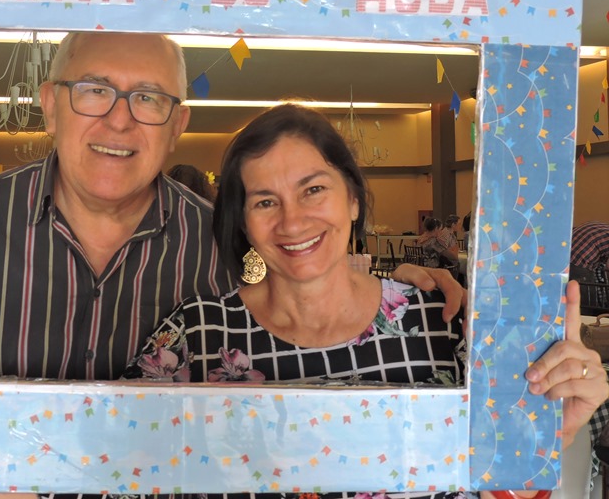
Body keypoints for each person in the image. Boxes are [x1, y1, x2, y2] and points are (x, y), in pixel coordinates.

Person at [0, 33, 463, 414]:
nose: (119, 121)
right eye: (94, 90)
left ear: (177, 125)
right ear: (50, 105)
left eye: (148, 99)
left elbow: (295, 285)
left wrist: (400, 284)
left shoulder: (217, 241)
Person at [123, 103, 608, 499]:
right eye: (265, 201)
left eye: (313, 189)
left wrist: (550, 432)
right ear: (243, 221)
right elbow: (116, 470)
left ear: (353, 200)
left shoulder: (444, 324)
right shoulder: (195, 338)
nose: (292, 222)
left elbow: (504, 486)